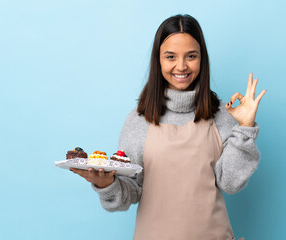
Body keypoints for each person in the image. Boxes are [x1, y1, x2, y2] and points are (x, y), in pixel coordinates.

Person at [70, 14, 266, 240]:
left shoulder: (223, 115)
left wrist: (245, 127)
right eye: (170, 56)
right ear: (158, 60)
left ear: (202, 59)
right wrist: (107, 184)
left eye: (191, 56)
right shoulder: (138, 120)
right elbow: (129, 193)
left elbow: (230, 184)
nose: (181, 66)